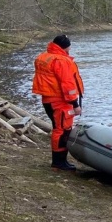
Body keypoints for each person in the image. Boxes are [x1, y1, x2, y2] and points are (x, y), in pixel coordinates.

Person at [32, 34, 84, 171]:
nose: (70, 48)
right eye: (69, 46)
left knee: (59, 129)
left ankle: (60, 161)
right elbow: (67, 84)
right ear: (65, 46)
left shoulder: (44, 57)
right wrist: (75, 104)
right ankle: (59, 162)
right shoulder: (61, 61)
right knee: (62, 131)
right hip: (60, 101)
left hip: (48, 99)